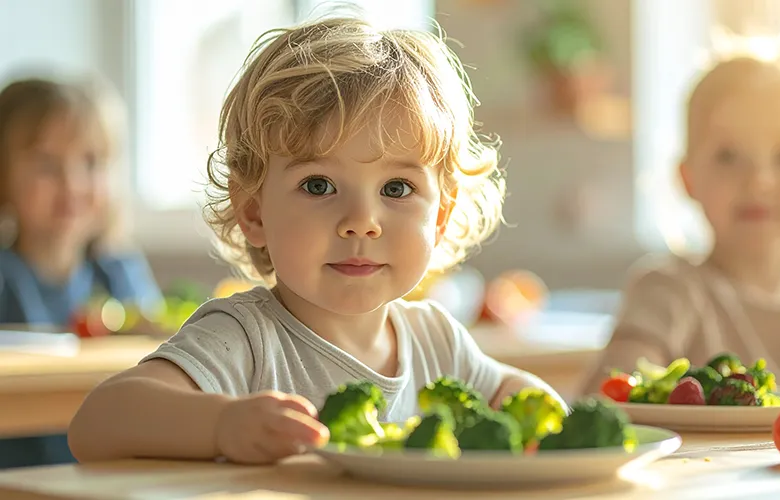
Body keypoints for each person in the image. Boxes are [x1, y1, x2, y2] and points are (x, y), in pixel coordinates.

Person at [68, 15, 564, 464]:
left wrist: (556, 417)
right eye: (319, 186)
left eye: (397, 188)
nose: (361, 222)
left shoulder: (436, 340)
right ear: (254, 211)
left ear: (441, 216)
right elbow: (98, 423)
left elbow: (515, 397)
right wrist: (221, 424)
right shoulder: (245, 337)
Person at [583, 42, 780, 392]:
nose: (759, 180)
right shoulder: (669, 293)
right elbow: (608, 403)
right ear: (687, 178)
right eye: (728, 156)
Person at [0, 76, 163, 468]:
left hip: (110, 473)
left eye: (90, 162)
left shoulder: (119, 271)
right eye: (45, 164)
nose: (72, 184)